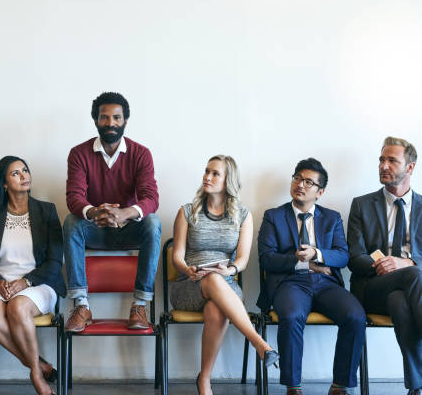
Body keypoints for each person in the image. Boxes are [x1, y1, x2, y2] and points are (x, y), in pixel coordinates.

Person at [170, 155, 278, 395]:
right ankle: (259, 343)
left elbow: (242, 259)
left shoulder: (242, 214)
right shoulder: (187, 211)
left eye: (215, 173)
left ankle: (204, 380)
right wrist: (187, 269)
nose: (207, 177)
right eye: (206, 171)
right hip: (189, 285)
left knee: (216, 310)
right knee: (211, 280)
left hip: (226, 284)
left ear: (228, 180)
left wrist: (229, 270)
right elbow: (176, 256)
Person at [257, 158, 366, 395]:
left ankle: (340, 385)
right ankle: (292, 386)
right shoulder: (273, 216)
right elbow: (266, 258)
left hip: (326, 284)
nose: (300, 184)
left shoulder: (332, 217)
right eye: (297, 178)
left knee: (356, 316)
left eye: (308, 181)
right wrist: (301, 262)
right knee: (292, 315)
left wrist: (317, 253)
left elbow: (342, 256)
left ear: (320, 191)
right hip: (290, 283)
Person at [64, 91, 161, 332]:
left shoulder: (141, 154)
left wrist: (125, 214)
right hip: (95, 229)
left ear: (125, 120)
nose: (111, 123)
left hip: (129, 230)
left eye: (116, 117)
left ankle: (139, 305)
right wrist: (95, 212)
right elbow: (74, 196)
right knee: (70, 222)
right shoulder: (79, 153)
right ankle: (81, 306)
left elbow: (151, 198)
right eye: (104, 117)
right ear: (95, 120)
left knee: (153, 223)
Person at [0, 156, 65, 395]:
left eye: (25, 171)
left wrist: (26, 281)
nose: (24, 176)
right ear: (3, 183)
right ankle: (37, 364)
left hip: (39, 282)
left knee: (17, 307)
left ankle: (36, 375)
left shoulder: (47, 211)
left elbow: (55, 260)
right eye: (15, 173)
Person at [347, 136, 422, 395]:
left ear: (410, 168)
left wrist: (406, 262)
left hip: (409, 292)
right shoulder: (362, 205)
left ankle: (416, 387)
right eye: (381, 160)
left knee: (400, 302)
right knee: (413, 274)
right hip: (371, 288)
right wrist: (385, 264)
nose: (384, 166)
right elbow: (354, 257)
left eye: (392, 160)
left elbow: (412, 268)